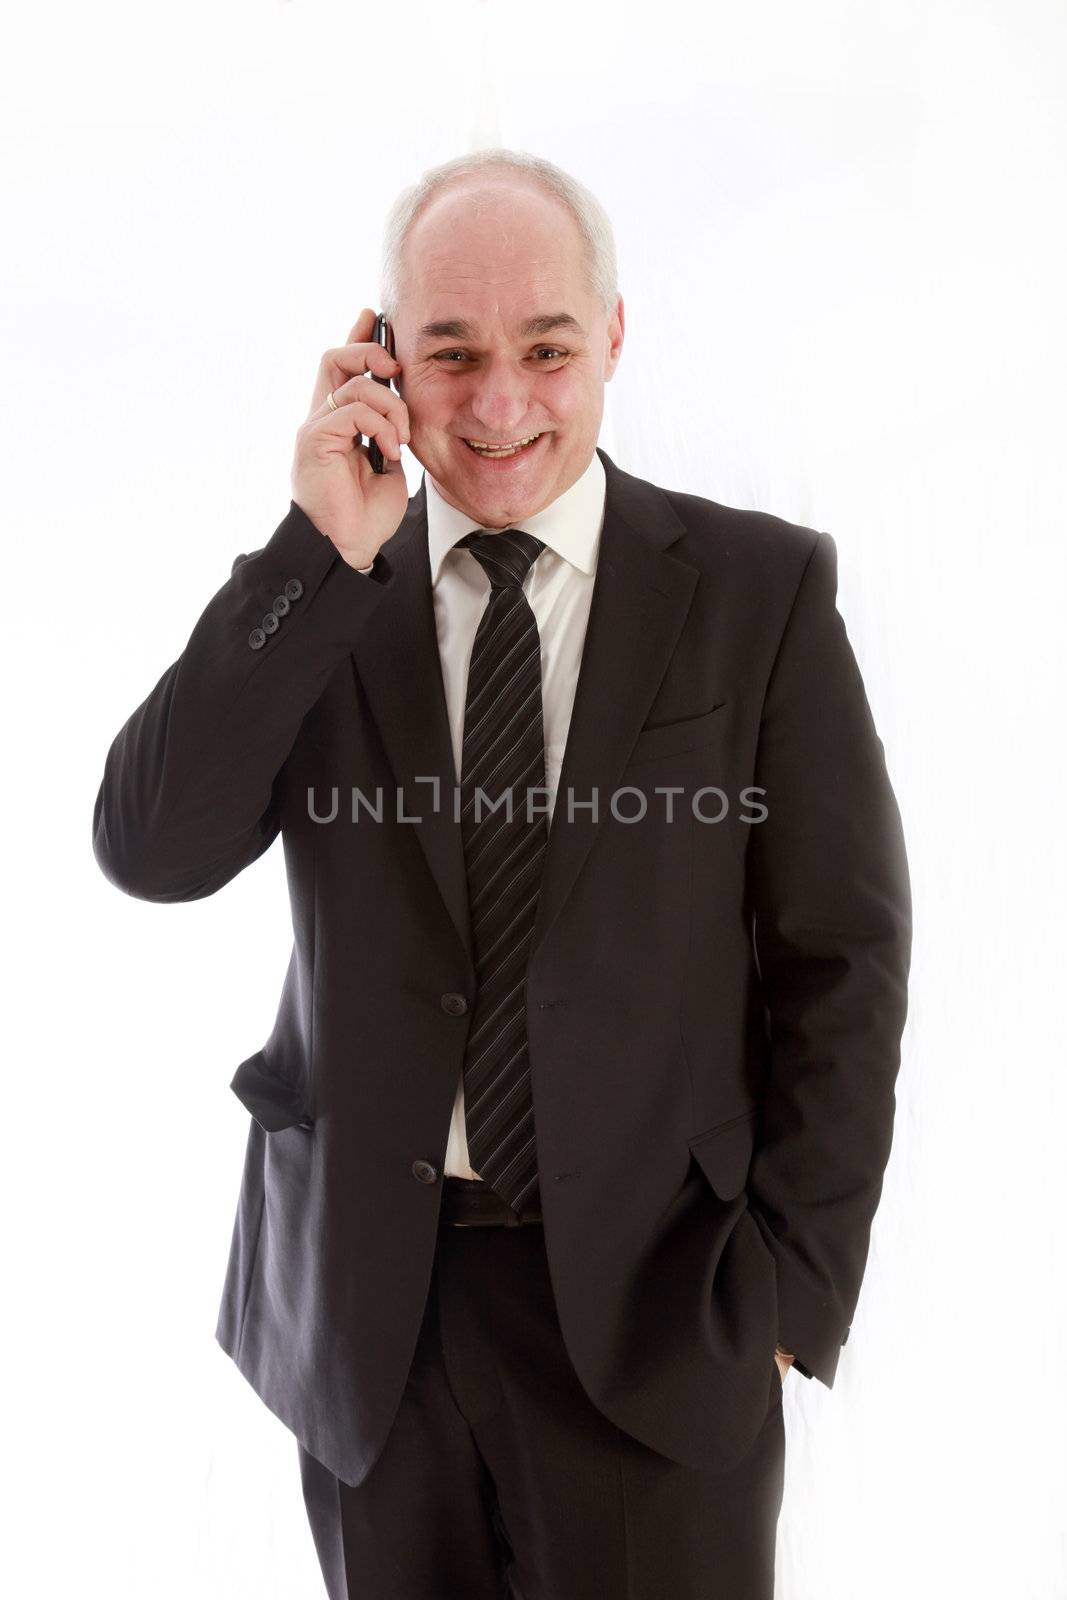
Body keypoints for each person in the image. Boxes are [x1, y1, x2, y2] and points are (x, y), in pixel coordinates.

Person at [91, 148, 912, 1599]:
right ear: (382, 359)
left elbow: (840, 954)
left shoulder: (757, 593)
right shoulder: (335, 594)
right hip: (372, 1325)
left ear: (612, 335)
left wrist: (790, 1290)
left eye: (544, 348)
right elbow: (151, 850)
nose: (500, 403)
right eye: (450, 354)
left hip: (660, 1316)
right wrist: (312, 551)